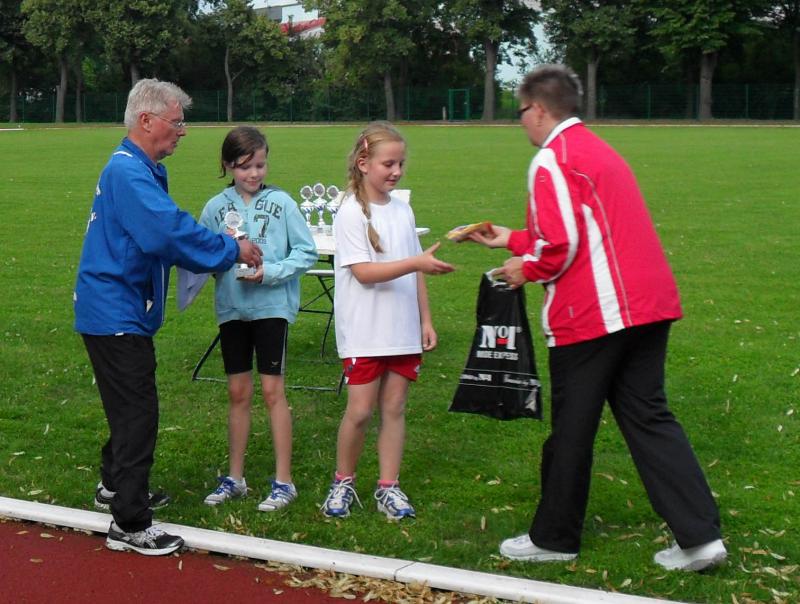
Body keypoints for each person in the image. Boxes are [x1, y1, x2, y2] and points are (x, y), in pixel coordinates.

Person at [467, 65, 726, 571]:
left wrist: (524, 268)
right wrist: (512, 239)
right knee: (649, 417)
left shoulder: (551, 159)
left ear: (538, 109)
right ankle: (701, 539)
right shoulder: (599, 150)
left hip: (593, 314)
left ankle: (554, 538)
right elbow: (586, 228)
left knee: (572, 427)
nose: (521, 122)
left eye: (521, 112)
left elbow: (559, 246)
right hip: (648, 305)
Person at [74, 79, 263, 556]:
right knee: (137, 412)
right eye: (177, 122)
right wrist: (232, 249)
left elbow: (166, 230)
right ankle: (130, 522)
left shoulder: (139, 168)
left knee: (128, 407)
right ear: (146, 120)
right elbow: (168, 233)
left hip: (116, 306)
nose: (183, 131)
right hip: (115, 309)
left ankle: (115, 488)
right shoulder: (129, 172)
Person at [320, 121, 454, 520]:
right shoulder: (349, 211)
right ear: (364, 163)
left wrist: (425, 319)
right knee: (360, 411)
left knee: (394, 408)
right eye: (388, 164)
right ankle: (342, 482)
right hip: (365, 332)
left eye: (401, 164)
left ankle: (388, 487)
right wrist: (416, 262)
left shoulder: (402, 209)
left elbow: (416, 272)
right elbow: (364, 273)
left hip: (402, 330)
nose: (396, 171)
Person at [199, 126, 317, 511]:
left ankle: (284, 482)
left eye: (260, 165)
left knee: (271, 391)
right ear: (227, 165)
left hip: (272, 309)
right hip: (232, 310)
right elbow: (202, 253)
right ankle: (235, 478)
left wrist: (271, 272)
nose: (253, 173)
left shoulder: (283, 203)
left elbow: (306, 252)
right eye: (244, 166)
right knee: (237, 392)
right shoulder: (215, 208)